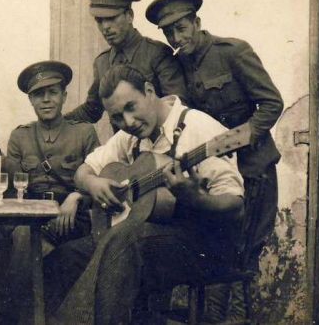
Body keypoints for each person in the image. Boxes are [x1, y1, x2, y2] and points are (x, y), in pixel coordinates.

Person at [44, 65, 245, 324]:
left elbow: (236, 206)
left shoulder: (200, 128)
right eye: (117, 117)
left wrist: (195, 198)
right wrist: (93, 184)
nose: (127, 123)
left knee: (124, 240)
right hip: (144, 239)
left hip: (204, 245)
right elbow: (84, 171)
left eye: (131, 107)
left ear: (150, 90)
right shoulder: (130, 136)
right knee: (66, 258)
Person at [146, 0, 284, 319]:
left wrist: (242, 137)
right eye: (169, 33)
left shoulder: (233, 52)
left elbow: (272, 103)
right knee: (215, 257)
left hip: (252, 169)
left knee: (241, 260)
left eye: (182, 28)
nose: (177, 38)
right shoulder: (177, 66)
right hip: (209, 177)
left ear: (197, 22)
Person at [0, 60, 101, 322]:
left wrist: (78, 196)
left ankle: (7, 316)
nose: (46, 99)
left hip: (72, 218)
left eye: (53, 92)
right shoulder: (21, 136)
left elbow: (99, 179)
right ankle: (15, 316)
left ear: (64, 96)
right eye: (39, 94)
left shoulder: (84, 132)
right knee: (21, 238)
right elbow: (16, 191)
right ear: (31, 100)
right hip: (32, 218)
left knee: (28, 245)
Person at [65, 0, 186, 124]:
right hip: (125, 144)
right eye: (99, 20)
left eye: (111, 18)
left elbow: (177, 106)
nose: (105, 27)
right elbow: (92, 110)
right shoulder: (102, 62)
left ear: (129, 16)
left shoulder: (158, 53)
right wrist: (56, 123)